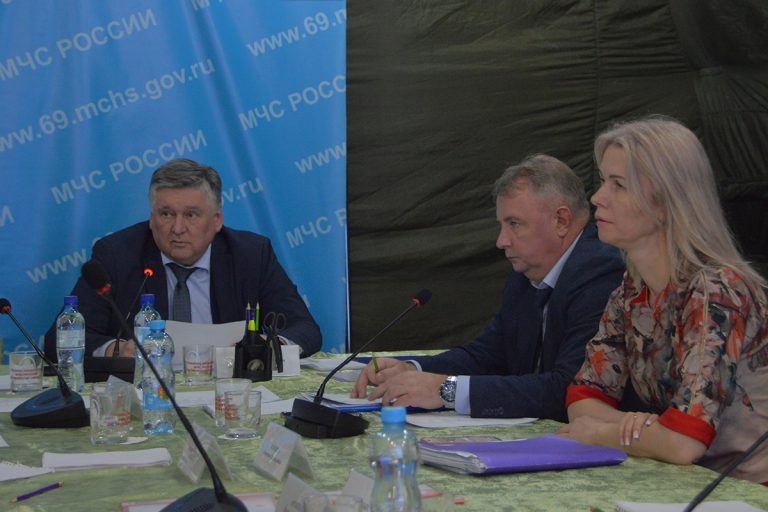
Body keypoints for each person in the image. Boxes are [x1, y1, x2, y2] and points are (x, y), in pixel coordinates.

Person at [559, 117, 768, 483]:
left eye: (618, 185)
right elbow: (582, 403)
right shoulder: (632, 288)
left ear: (664, 203)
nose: (597, 197)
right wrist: (646, 430)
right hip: (689, 485)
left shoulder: (718, 291)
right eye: (604, 181)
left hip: (749, 492)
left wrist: (603, 433)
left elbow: (683, 445)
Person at [352, 154, 625, 421]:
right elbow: (487, 355)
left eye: (514, 224)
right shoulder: (526, 274)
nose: (501, 241)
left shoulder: (599, 272)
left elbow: (567, 388)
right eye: (502, 225)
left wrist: (446, 390)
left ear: (561, 221)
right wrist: (412, 370)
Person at [44, 158, 322, 362]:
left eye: (191, 215)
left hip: (228, 390)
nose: (177, 228)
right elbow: (57, 339)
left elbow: (305, 329)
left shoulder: (250, 255)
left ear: (216, 220)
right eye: (166, 214)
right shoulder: (117, 255)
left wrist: (270, 345)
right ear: (151, 219)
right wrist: (115, 350)